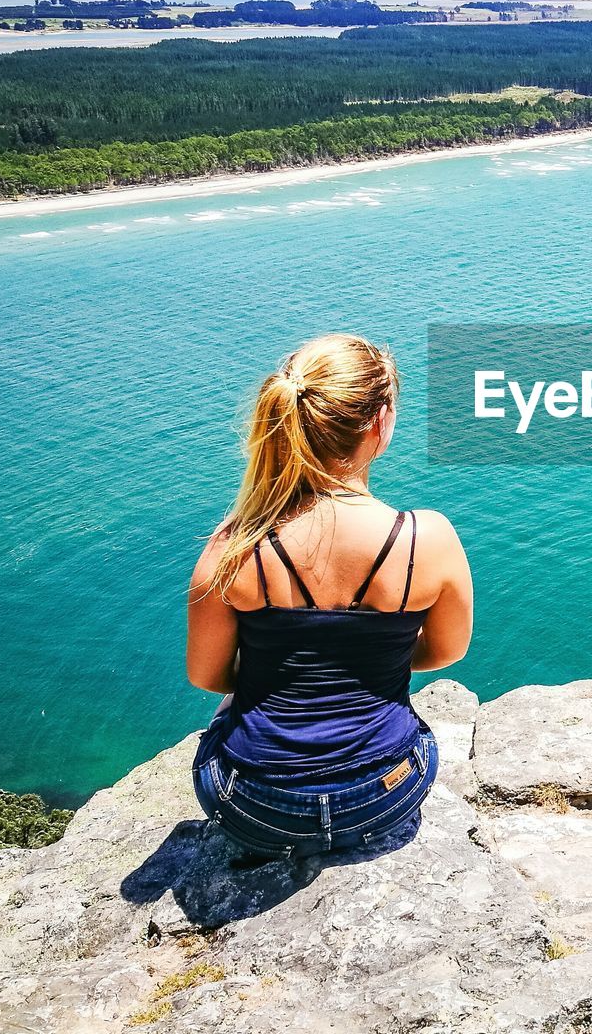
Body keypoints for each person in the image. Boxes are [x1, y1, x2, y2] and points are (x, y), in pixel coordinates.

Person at [185, 333, 473, 865]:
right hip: (384, 795)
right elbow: (447, 652)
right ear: (380, 422)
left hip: (256, 807)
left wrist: (286, 672)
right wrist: (368, 662)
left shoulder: (232, 547)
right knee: (415, 733)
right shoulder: (425, 539)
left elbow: (207, 676)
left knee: (228, 715)